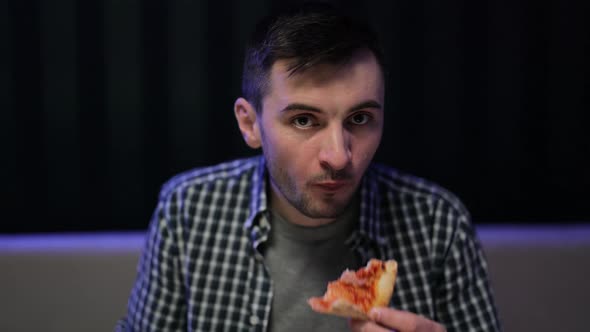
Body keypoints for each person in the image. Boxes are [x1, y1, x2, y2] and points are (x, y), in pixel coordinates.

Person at [118, 4, 500, 332]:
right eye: (304, 120)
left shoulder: (438, 224)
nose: (339, 156)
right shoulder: (188, 210)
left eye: (360, 118)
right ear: (250, 124)